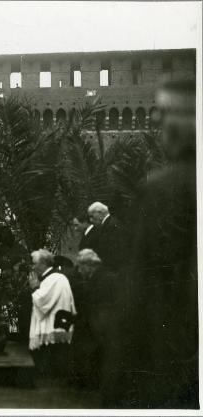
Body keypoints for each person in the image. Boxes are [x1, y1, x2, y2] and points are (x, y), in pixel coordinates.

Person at [126, 79, 197, 408]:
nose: (155, 122)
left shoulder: (162, 191)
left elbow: (140, 293)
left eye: (164, 112)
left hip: (175, 357)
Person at [70, 249, 120, 391]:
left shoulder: (103, 280)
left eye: (80, 267)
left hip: (99, 327)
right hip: (98, 325)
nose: (79, 271)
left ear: (88, 266)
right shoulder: (102, 277)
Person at [28, 249, 76, 377]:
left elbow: (43, 301)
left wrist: (34, 288)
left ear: (43, 263)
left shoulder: (55, 278)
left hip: (54, 325)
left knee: (53, 358)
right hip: (57, 322)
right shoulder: (53, 277)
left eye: (35, 264)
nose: (33, 267)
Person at [86, 202, 126, 271]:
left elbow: (113, 253)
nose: (90, 220)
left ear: (100, 213)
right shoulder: (110, 224)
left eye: (92, 216)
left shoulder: (110, 226)